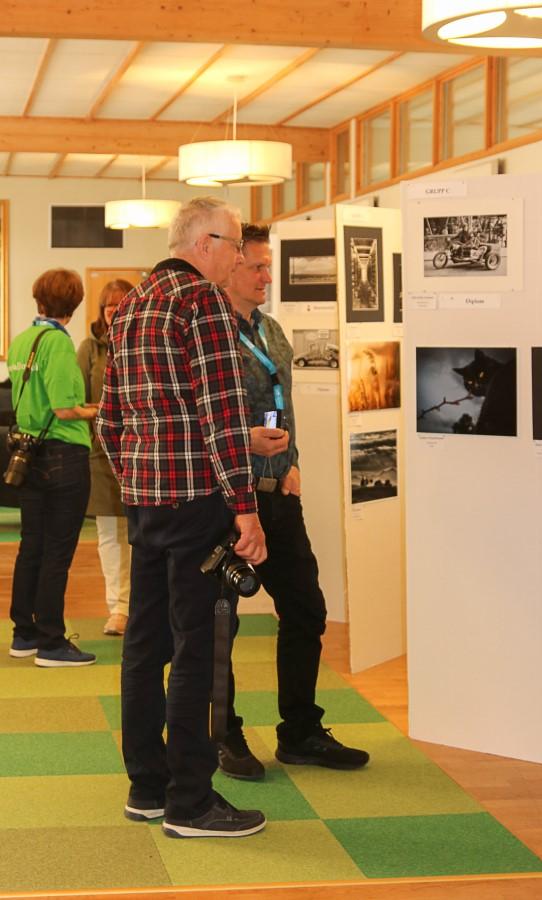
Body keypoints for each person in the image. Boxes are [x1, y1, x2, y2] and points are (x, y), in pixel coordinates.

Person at [96, 197, 267, 840]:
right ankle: (190, 801)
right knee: (197, 645)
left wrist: (137, 477)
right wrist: (245, 506)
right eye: (234, 243)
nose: (238, 257)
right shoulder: (203, 304)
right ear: (203, 242)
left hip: (147, 500)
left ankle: (147, 786)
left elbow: (112, 417)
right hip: (197, 503)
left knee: (144, 643)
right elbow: (221, 415)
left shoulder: (134, 304)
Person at [219, 223, 369, 780]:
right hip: (225, 501)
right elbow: (201, 417)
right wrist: (246, 446)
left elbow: (282, 407)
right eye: (256, 265)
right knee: (220, 623)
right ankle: (224, 734)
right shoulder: (210, 330)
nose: (265, 276)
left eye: (267, 266)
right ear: (229, 265)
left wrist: (292, 460)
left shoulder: (272, 330)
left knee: (306, 609)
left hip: (278, 497)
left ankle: (300, 731)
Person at [7, 268, 97, 667]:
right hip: (64, 457)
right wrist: (98, 409)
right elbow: (64, 409)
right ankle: (52, 641)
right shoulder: (59, 345)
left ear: (38, 298)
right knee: (57, 552)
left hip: (28, 454)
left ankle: (23, 634)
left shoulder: (21, 340)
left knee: (32, 547)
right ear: (75, 305)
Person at [77, 279, 134, 637]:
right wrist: (104, 412)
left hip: (141, 452)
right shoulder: (89, 349)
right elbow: (77, 402)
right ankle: (118, 608)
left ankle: (140, 606)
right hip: (101, 454)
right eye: (108, 306)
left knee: (141, 535)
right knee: (111, 536)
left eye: (120, 304)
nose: (114, 311)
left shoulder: (143, 338)